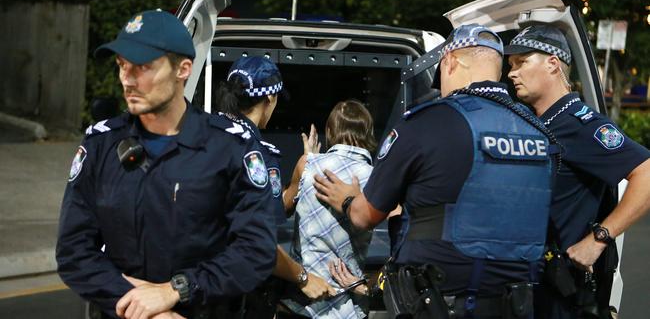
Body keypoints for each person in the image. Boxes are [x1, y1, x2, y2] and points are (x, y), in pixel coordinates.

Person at [314, 24, 557, 318]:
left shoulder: (427, 122)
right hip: (518, 303)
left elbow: (365, 216)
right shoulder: (538, 132)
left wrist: (348, 198)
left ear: (450, 61)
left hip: (442, 303)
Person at [56, 10, 277, 319]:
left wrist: (176, 290)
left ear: (183, 69)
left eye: (143, 67)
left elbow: (255, 251)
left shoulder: (229, 146)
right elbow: (74, 251)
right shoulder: (100, 144)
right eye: (122, 66)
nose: (127, 80)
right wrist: (144, 307)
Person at [504, 25, 650, 318]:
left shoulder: (580, 124)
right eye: (510, 66)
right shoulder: (539, 124)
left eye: (521, 62)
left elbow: (646, 173)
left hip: (560, 290)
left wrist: (598, 239)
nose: (511, 73)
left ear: (552, 63)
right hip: (526, 284)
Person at [213, 56, 336, 318]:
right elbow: (258, 240)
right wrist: (303, 278)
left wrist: (300, 174)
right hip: (234, 293)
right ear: (269, 99)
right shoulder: (256, 154)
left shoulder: (203, 132)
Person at [281, 100, 377, 318]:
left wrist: (308, 160)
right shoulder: (375, 178)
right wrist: (366, 285)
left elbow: (282, 208)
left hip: (301, 302)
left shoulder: (307, 164)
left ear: (330, 131)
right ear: (368, 132)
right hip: (349, 307)